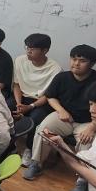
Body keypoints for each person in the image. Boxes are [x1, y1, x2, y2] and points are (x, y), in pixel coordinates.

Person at [23, 45, 96, 185]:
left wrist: (92, 127)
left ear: (92, 64)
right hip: (65, 118)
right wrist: (61, 110)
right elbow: (51, 97)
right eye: (73, 59)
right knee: (44, 129)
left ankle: (83, 179)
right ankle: (36, 163)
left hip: (89, 121)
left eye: (82, 61)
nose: (76, 63)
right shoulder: (62, 77)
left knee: (88, 141)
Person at [12, 33, 62, 165]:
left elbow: (49, 95)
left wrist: (30, 107)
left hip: (40, 101)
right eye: (27, 47)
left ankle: (29, 149)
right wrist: (18, 103)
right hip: (21, 97)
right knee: (5, 108)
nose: (28, 51)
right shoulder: (20, 60)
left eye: (32, 49)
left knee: (35, 119)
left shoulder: (55, 68)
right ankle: (8, 143)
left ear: (45, 50)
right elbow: (16, 84)